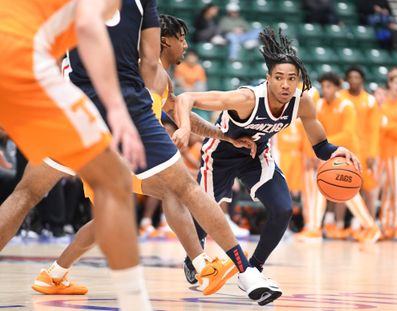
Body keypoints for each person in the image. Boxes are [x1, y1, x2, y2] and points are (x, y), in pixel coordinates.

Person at [0, 10, 277, 304]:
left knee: (59, 203)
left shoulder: (163, 80)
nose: (185, 46)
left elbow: (178, 110)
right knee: (178, 190)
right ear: (164, 40)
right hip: (120, 127)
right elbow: (143, 67)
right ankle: (206, 265)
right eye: (181, 39)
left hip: (76, 110)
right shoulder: (145, 63)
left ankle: (54, 274)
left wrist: (223, 136)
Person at [177, 27, 360, 296]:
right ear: (268, 78)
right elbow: (185, 97)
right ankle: (193, 258)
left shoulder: (303, 103)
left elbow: (320, 146)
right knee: (204, 216)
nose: (285, 85)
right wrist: (183, 127)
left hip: (256, 155)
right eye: (279, 78)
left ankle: (253, 270)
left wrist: (336, 151)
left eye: (291, 78)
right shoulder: (247, 99)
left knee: (283, 209)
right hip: (221, 154)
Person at [0, 0, 150, 310]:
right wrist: (118, 108)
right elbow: (89, 27)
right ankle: (136, 304)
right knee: (116, 181)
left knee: (27, 191)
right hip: (18, 56)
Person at [296, 72, 380, 243]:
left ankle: (370, 227)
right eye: (323, 86)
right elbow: (310, 130)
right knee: (327, 187)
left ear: (337, 88)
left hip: (347, 153)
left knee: (348, 192)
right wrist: (315, 150)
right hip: (329, 153)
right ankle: (315, 228)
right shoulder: (319, 105)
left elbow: (348, 135)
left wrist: (322, 145)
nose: (325, 90)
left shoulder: (346, 105)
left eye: (329, 86)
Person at [339, 66, 381, 221]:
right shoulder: (340, 98)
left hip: (363, 151)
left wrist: (372, 153)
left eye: (357, 77)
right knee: (339, 186)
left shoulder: (370, 101)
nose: (354, 80)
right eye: (351, 77)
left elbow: (374, 130)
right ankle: (337, 224)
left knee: (369, 189)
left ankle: (367, 224)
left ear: (362, 80)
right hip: (344, 150)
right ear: (346, 80)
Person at [379, 67, 397, 240]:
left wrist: (389, 125)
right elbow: (379, 125)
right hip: (384, 152)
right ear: (390, 84)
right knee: (386, 191)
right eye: (395, 83)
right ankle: (387, 225)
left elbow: (387, 126)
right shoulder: (383, 103)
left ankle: (396, 225)